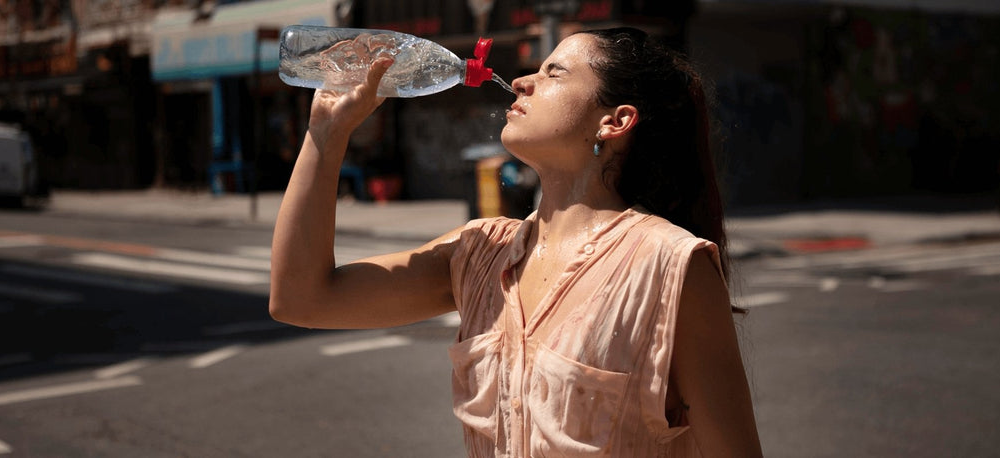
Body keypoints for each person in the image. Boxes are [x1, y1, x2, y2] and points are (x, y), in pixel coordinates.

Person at [270, 27, 763, 457]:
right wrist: (326, 134)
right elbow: (301, 299)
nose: (524, 81)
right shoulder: (479, 253)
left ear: (614, 121)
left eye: (554, 72)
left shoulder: (670, 265)